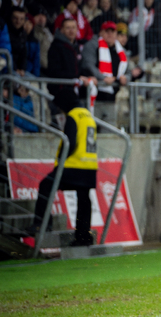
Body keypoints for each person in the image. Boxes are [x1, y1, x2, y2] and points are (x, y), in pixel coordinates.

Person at [26, 91, 98, 246]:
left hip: (74, 166)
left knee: (46, 185)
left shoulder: (73, 115)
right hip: (90, 166)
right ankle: (83, 236)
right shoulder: (88, 115)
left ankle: (42, 223)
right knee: (84, 200)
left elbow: (70, 142)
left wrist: (60, 160)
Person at [81, 21, 130, 125]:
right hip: (93, 97)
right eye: (106, 31)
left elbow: (128, 71)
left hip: (111, 98)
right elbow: (88, 65)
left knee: (109, 131)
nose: (110, 34)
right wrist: (103, 78)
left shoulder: (120, 51)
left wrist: (126, 77)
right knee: (91, 128)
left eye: (113, 31)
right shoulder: (92, 45)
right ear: (101, 33)